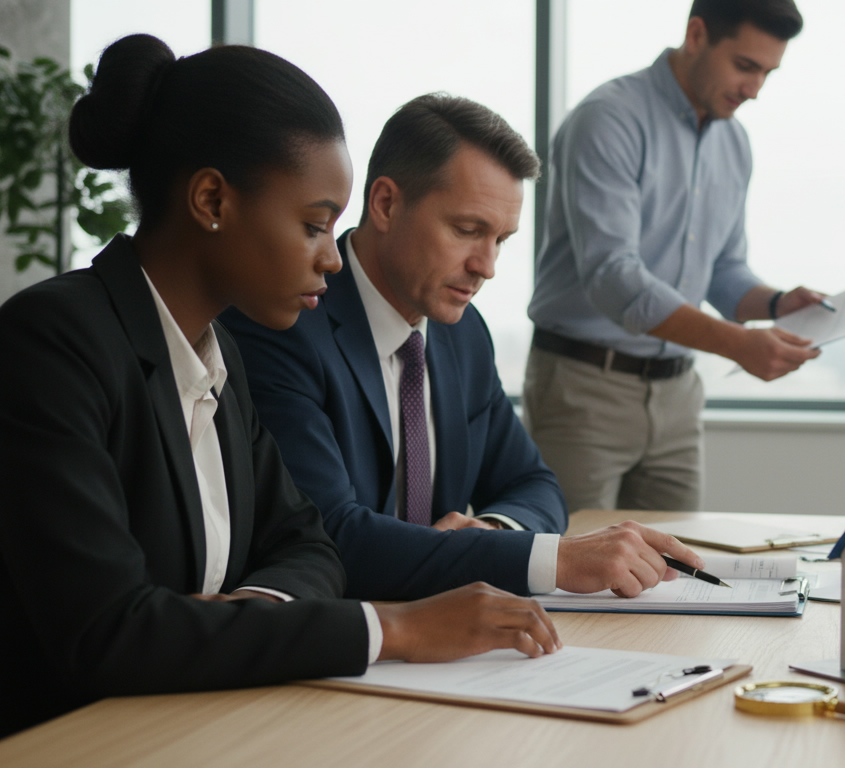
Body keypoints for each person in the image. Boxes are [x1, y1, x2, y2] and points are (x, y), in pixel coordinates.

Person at [0, 35, 564, 738]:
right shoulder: (53, 342)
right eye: (312, 224)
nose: (332, 257)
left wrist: (248, 612)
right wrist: (391, 629)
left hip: (207, 720)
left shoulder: (218, 355)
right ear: (211, 199)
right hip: (77, 741)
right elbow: (110, 632)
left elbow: (308, 545)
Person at [221, 95, 705, 601]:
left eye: (501, 240)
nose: (486, 266)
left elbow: (534, 483)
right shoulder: (285, 323)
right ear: (385, 204)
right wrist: (549, 559)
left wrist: (494, 532)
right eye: (468, 231)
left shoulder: (462, 333)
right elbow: (332, 537)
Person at [525, 0, 824, 513]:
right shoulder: (609, 119)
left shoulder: (734, 143)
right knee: (566, 567)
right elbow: (613, 277)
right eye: (745, 66)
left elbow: (724, 271)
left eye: (767, 73)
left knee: (678, 569)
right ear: (697, 34)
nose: (755, 90)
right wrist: (738, 345)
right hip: (583, 391)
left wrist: (778, 303)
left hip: (678, 396)